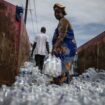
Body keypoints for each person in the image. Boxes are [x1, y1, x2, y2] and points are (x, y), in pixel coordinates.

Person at [51, 3, 77, 85]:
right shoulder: (60, 23)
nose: (56, 14)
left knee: (64, 63)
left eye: (58, 12)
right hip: (65, 47)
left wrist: (54, 47)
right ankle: (61, 79)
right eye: (55, 12)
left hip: (69, 47)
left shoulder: (64, 21)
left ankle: (62, 80)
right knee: (61, 62)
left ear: (63, 12)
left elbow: (61, 36)